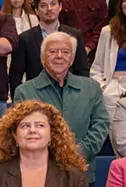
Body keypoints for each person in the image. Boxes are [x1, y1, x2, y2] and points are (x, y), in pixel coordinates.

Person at [15, 32, 111, 178]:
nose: (59, 56)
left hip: (82, 170)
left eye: (65, 52)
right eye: (52, 51)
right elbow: (24, 130)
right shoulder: (24, 92)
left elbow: (101, 124)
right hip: (40, 172)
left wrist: (78, 151)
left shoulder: (92, 88)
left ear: (72, 59)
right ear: (42, 59)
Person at [10, 0, 89, 94]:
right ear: (36, 11)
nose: (49, 9)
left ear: (60, 7)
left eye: (53, 4)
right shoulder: (25, 39)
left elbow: (82, 70)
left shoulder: (74, 35)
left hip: (70, 95)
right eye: (43, 6)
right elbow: (15, 75)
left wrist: (81, 95)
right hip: (36, 96)